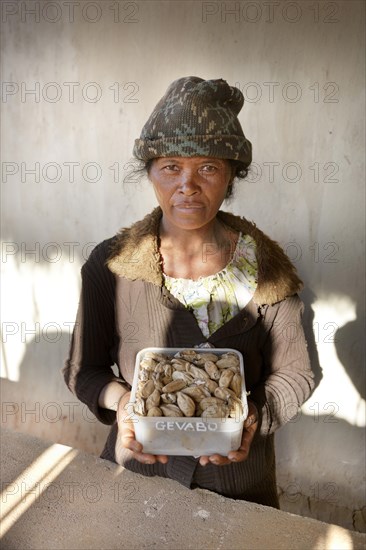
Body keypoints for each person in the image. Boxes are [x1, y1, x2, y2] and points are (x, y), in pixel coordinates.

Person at [63, 76, 314, 508]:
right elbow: (82, 371)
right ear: (151, 173)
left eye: (209, 168)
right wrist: (124, 404)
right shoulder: (111, 264)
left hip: (239, 489)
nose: (188, 185)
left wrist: (250, 418)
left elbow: (296, 374)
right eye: (171, 167)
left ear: (231, 175)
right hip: (137, 478)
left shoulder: (267, 268)